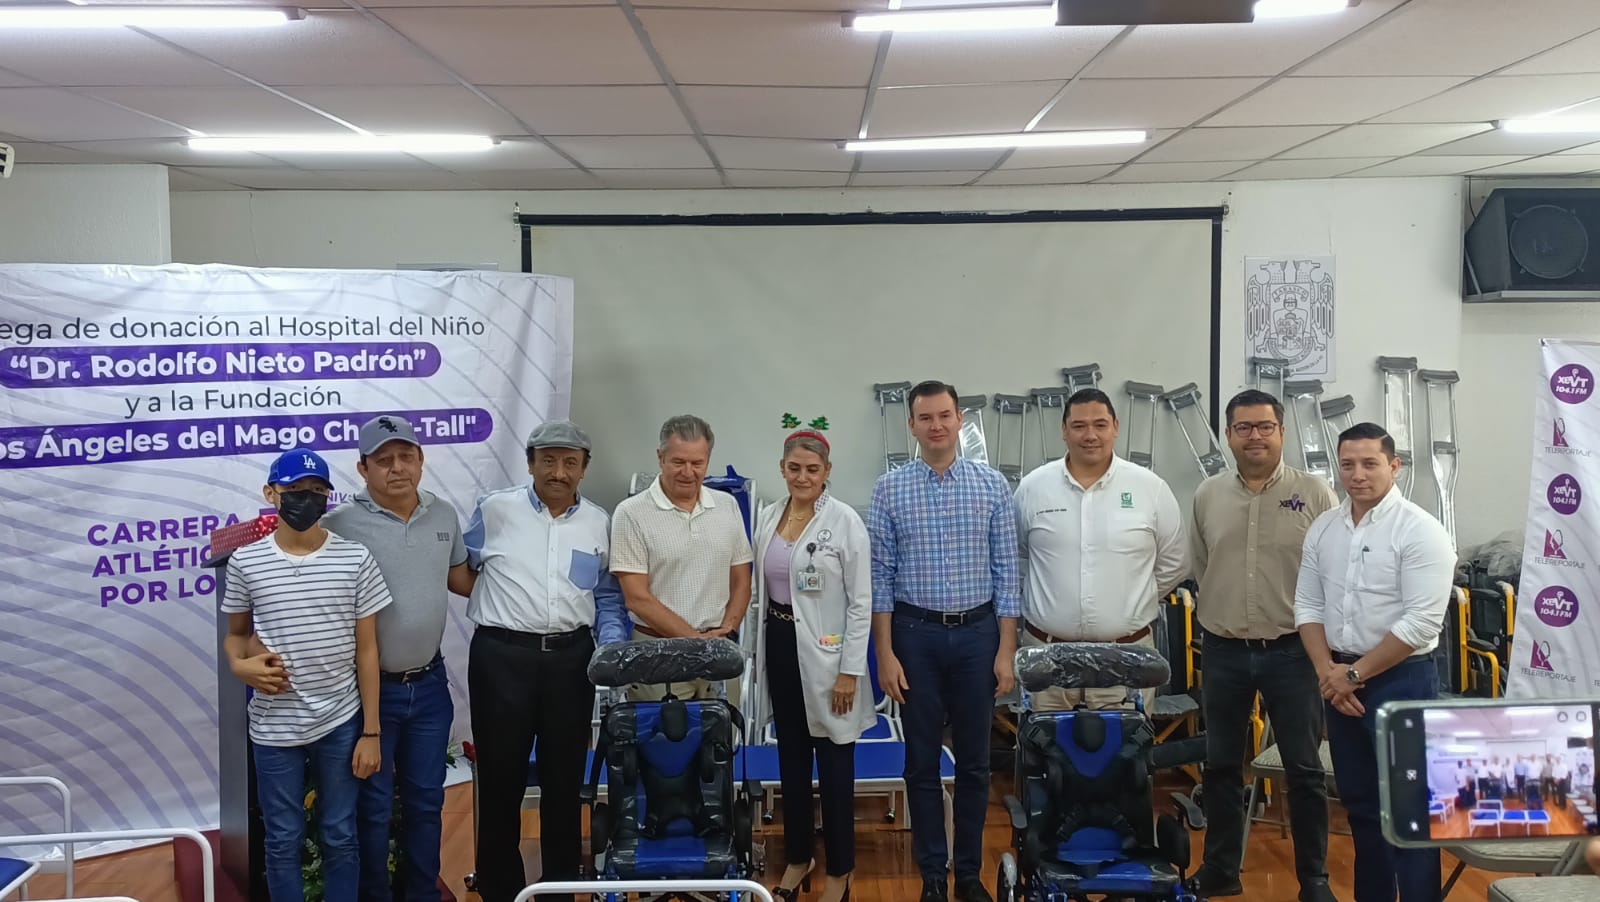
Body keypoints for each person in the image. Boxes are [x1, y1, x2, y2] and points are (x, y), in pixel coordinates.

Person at [463, 421, 632, 902]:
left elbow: (605, 593)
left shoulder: (599, 521)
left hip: (569, 662)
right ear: (531, 461)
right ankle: (499, 889)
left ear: (584, 468)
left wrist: (610, 651)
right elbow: (462, 571)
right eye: (549, 460)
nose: (559, 472)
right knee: (501, 779)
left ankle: (559, 888)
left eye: (570, 462)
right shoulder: (494, 510)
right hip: (502, 659)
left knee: (563, 782)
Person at [867, 380, 1020, 902]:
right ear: (912, 425)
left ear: (960, 422)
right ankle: (933, 874)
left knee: (976, 763)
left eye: (945, 416)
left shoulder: (992, 486)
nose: (936, 425)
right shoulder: (889, 489)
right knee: (922, 762)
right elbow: (880, 579)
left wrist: (1006, 650)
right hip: (915, 637)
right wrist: (884, 654)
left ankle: (969, 875)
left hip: (978, 635)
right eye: (925, 417)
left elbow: (1007, 574)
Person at [313, 416, 475, 902]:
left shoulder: (443, 515)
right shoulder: (338, 526)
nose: (397, 468)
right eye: (383, 460)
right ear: (362, 468)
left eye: (406, 456)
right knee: (375, 805)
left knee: (428, 802)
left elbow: (462, 581)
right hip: (368, 692)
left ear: (421, 460)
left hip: (428, 686)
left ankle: (421, 894)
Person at [1186, 390, 1338, 902]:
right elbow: (1202, 566)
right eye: (1243, 427)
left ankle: (1313, 880)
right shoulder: (1207, 494)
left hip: (1294, 651)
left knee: (1304, 768)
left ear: (1281, 432)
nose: (1255, 436)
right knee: (1222, 765)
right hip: (1224, 649)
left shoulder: (1315, 493)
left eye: (1264, 426)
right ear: (1228, 435)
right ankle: (1220, 870)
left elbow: (1332, 572)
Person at [1295, 422, 1456, 902]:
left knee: (1410, 814)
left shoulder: (1421, 531)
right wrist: (1329, 672)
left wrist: (1351, 675)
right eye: (1348, 464)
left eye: (1370, 463)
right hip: (1338, 681)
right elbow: (1307, 606)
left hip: (1400, 681)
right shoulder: (1324, 528)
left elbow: (1420, 625)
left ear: (1394, 466)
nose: (1357, 475)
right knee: (1361, 809)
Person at [221, 448, 389, 902]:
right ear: (271, 494)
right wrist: (240, 665)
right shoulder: (246, 563)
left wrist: (370, 730)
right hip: (274, 726)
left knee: (340, 834)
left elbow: (368, 649)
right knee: (281, 839)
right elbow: (236, 636)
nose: (306, 499)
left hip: (340, 720)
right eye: (295, 490)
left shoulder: (355, 558)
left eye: (317, 491)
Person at [752, 430, 874, 902]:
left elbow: (861, 604)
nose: (803, 477)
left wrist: (849, 671)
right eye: (794, 468)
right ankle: (799, 860)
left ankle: (841, 871)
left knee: (835, 765)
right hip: (781, 644)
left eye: (813, 469)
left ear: (826, 472)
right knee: (792, 764)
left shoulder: (845, 523)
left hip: (829, 657)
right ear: (783, 469)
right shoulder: (768, 516)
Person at [1013, 387, 1186, 711]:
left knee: (1123, 759)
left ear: (1115, 427)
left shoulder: (1150, 489)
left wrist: (1129, 602)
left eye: (1100, 424)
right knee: (1050, 759)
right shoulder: (1033, 489)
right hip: (1047, 660)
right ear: (1064, 431)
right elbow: (1020, 559)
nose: (1089, 435)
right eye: (1078, 426)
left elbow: (1175, 562)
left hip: (1127, 660)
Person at [611, 414, 754, 700]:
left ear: (707, 461)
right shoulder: (630, 513)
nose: (688, 472)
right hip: (658, 651)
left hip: (719, 648)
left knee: (724, 740)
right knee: (667, 742)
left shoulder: (727, 506)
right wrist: (695, 642)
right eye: (678, 462)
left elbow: (741, 579)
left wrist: (728, 628)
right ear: (660, 457)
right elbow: (637, 598)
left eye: (697, 463)